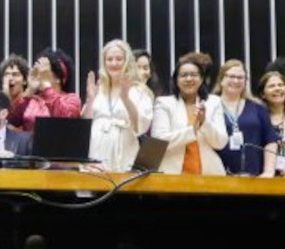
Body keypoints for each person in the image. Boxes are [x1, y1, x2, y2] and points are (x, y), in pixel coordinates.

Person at [150, 53, 227, 175]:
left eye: (194, 75)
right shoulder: (164, 103)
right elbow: (158, 142)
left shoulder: (213, 102)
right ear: (176, 80)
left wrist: (204, 123)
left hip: (209, 175)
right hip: (172, 176)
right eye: (183, 75)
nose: (189, 79)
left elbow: (221, 143)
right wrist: (192, 130)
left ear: (201, 79)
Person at [83, 39, 153, 170]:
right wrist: (90, 99)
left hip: (125, 153)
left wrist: (125, 98)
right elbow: (85, 126)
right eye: (109, 59)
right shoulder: (98, 89)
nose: (114, 63)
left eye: (119, 59)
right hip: (96, 152)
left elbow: (140, 127)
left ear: (126, 61)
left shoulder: (139, 90)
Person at [213, 59, 277, 176]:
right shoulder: (210, 106)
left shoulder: (258, 108)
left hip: (253, 177)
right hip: (217, 176)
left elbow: (270, 140)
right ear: (221, 79)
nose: (236, 81)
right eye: (231, 76)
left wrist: (269, 171)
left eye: (241, 77)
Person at [15, 48, 81, 119]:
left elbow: (65, 118)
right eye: (38, 72)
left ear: (58, 78)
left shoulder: (71, 99)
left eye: (44, 73)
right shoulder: (32, 99)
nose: (39, 76)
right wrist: (29, 90)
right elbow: (13, 120)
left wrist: (46, 85)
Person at [0, 55, 49, 132]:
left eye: (15, 74)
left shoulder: (36, 102)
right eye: (7, 74)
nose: (10, 78)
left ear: (25, 80)